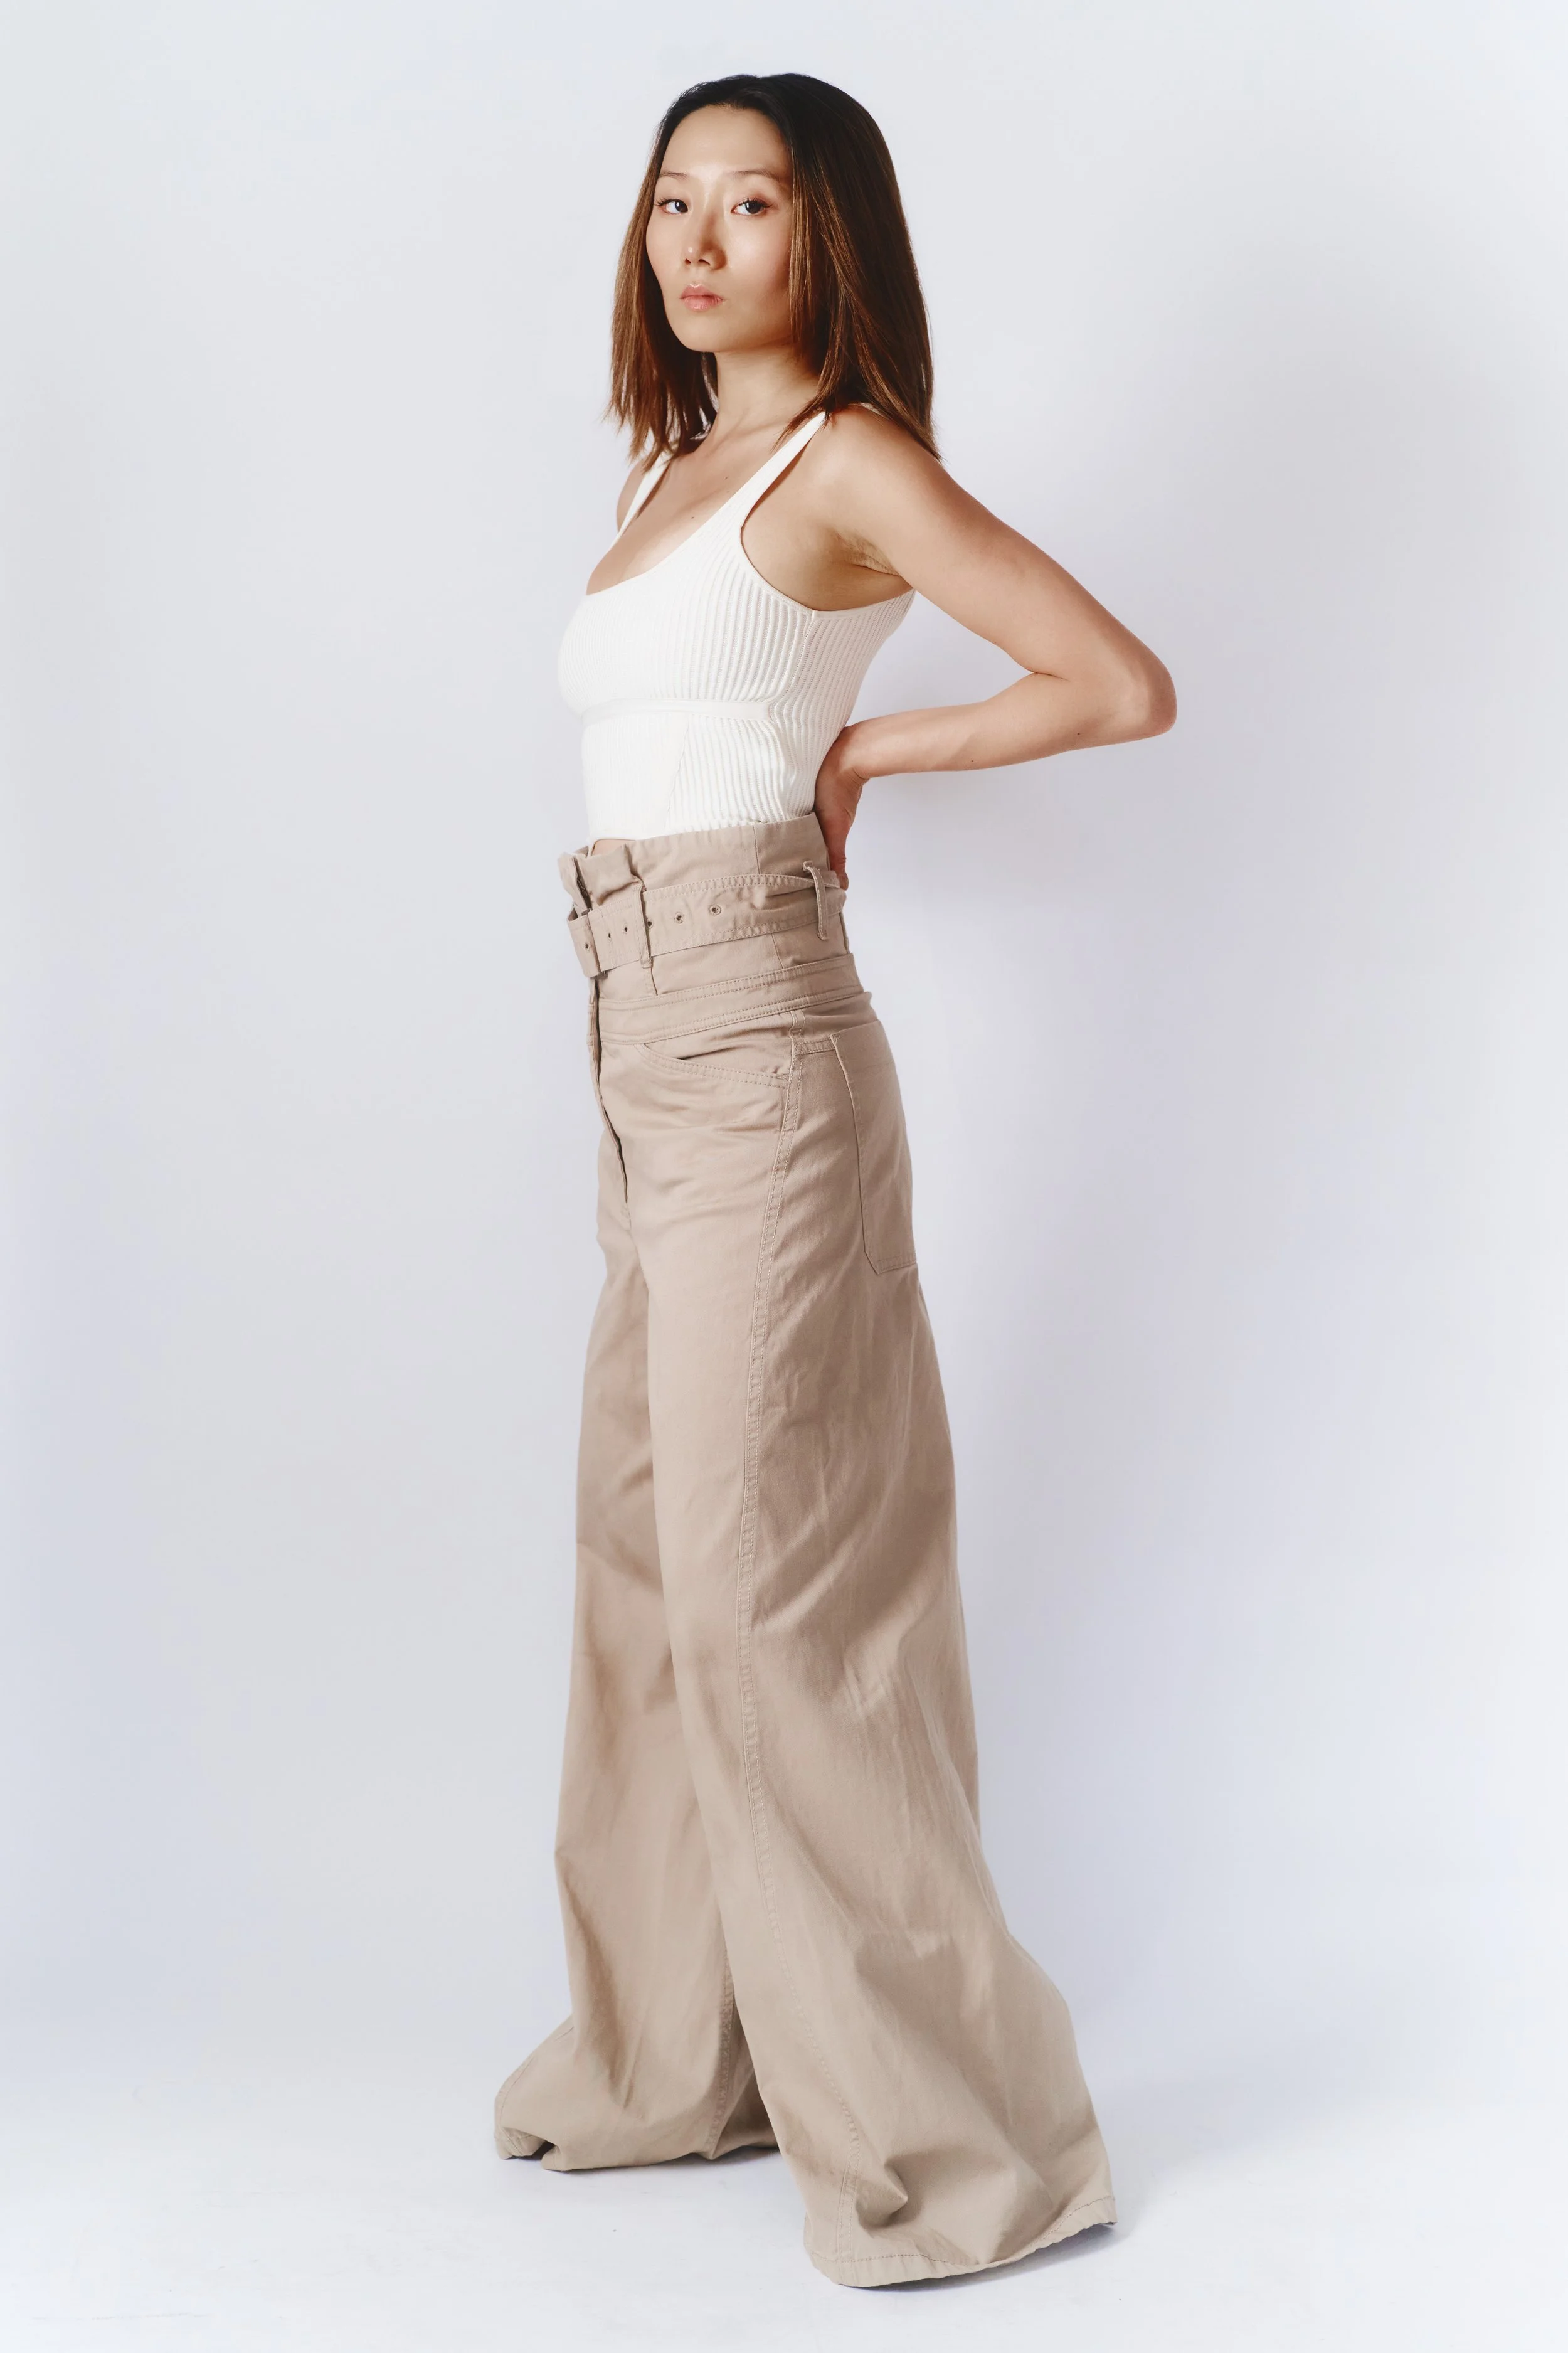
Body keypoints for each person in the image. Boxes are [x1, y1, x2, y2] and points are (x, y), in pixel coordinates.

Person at [494, 72, 1175, 2287]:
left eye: (751, 206)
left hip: (756, 1033)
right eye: (670, 202)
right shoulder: (673, 465)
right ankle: (674, 2059)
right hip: (635, 1027)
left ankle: (961, 2151)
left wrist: (873, 742)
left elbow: (1114, 681)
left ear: (828, 237)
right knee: (642, 1562)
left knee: (769, 1584)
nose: (698, 243)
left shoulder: (845, 460)